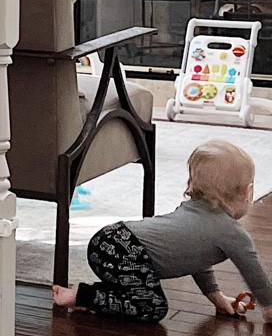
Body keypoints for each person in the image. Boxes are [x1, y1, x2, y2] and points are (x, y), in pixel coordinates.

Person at [53, 137, 271, 325]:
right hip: (125, 249)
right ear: (247, 191)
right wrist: (269, 308)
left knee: (138, 289)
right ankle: (84, 296)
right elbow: (254, 273)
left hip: (110, 239)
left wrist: (217, 298)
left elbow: (197, 260)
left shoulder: (192, 213)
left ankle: (93, 297)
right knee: (152, 307)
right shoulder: (230, 231)